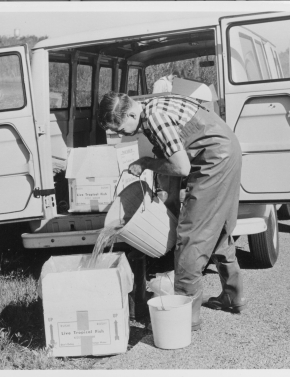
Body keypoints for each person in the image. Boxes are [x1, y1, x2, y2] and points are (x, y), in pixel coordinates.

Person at [97, 91, 247, 331]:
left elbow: (180, 166)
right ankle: (233, 295)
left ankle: (185, 317)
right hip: (224, 151)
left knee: (191, 236)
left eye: (124, 129)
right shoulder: (151, 106)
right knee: (216, 228)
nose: (125, 134)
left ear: (131, 112)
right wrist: (169, 205)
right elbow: (175, 155)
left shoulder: (155, 117)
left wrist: (146, 163)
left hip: (214, 160)